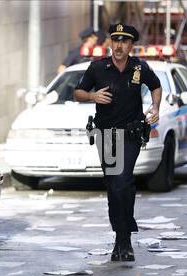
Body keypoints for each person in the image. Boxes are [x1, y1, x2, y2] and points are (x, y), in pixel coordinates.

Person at [74, 23, 162, 262]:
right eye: (115, 41)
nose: (119, 45)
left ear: (131, 45)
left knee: (122, 180)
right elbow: (77, 92)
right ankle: (120, 237)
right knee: (114, 186)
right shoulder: (98, 67)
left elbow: (156, 86)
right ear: (110, 43)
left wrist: (155, 107)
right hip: (105, 136)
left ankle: (125, 239)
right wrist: (92, 96)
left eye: (124, 41)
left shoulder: (139, 68)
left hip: (130, 135)